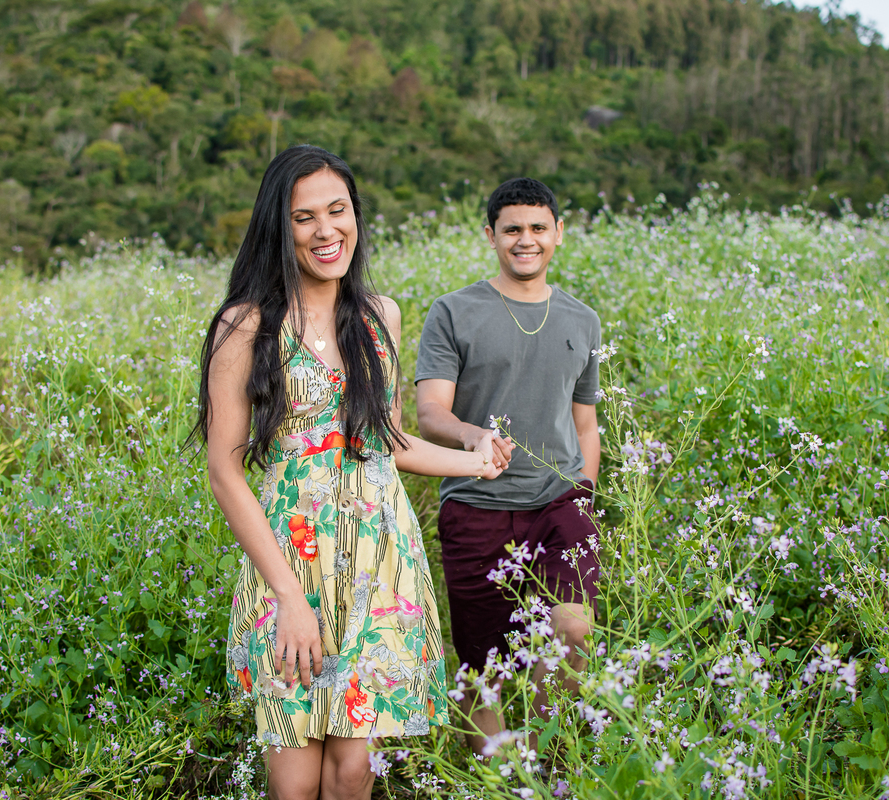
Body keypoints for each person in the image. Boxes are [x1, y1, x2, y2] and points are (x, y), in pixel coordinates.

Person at [196, 145, 503, 800]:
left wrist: (474, 463)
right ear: (280, 228)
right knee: (296, 778)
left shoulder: (377, 316)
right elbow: (225, 472)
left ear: (356, 217)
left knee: (354, 771)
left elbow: (383, 439)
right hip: (292, 563)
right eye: (304, 217)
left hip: (377, 564)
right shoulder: (246, 325)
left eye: (338, 211)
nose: (325, 230)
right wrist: (286, 596)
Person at [414, 177, 601, 756]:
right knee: (481, 673)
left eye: (538, 228)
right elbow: (428, 413)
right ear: (490, 235)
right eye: (513, 229)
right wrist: (473, 436)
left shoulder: (582, 320)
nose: (527, 240)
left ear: (559, 234)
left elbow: (586, 424)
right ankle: (503, 780)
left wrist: (584, 494)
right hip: (477, 505)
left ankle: (547, 761)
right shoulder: (453, 312)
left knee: (573, 632)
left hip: (558, 504)